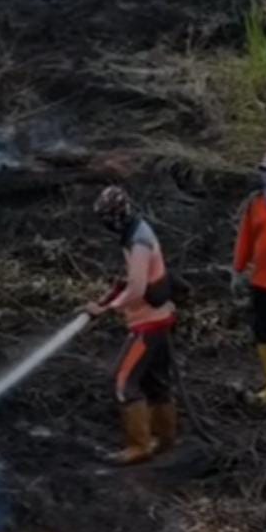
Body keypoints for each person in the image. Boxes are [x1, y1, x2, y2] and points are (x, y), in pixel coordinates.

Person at [86, 185, 177, 463]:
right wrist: (108, 296)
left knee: (124, 382)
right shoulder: (137, 231)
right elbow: (133, 280)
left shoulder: (138, 242)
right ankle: (164, 439)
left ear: (116, 216)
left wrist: (108, 309)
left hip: (147, 325)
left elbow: (137, 289)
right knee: (156, 382)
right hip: (159, 320)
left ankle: (139, 446)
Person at [231, 149, 266, 404]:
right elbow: (246, 237)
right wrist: (237, 270)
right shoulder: (255, 204)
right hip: (262, 281)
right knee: (263, 331)